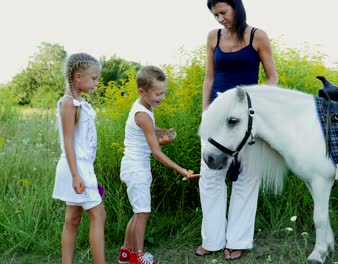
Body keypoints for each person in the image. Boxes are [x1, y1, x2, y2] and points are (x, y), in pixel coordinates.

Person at [196, 0, 278, 260]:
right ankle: (212, 240)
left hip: (245, 118)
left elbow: (271, 77)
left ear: (236, 7)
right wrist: (206, 112)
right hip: (216, 117)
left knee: (247, 178)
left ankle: (238, 240)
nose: (220, 19)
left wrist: (258, 106)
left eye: (223, 12)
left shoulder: (258, 36)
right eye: (215, 15)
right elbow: (209, 78)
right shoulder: (213, 37)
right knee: (210, 177)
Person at [118, 65, 200, 264]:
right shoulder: (143, 114)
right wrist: (182, 171)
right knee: (143, 213)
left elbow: (148, 131)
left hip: (133, 165)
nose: (161, 97)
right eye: (157, 93)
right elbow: (156, 153)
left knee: (138, 212)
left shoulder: (143, 107)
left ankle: (125, 253)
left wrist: (162, 133)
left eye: (163, 92)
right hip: (136, 168)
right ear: (142, 91)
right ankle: (138, 257)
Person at [52, 53, 106, 264]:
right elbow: (68, 142)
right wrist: (76, 175)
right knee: (99, 215)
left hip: (82, 167)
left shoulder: (79, 102)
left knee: (73, 219)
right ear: (77, 76)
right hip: (75, 168)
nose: (96, 83)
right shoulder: (68, 103)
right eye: (93, 78)